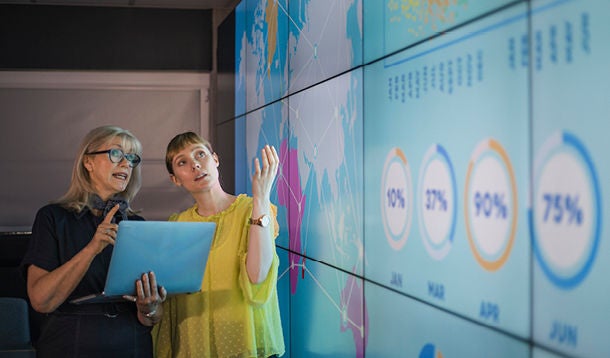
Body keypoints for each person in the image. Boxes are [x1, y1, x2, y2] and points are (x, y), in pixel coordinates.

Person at [21, 125, 167, 358]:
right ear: (88, 162)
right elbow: (41, 301)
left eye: (131, 157)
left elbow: (152, 318)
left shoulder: (137, 224)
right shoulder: (52, 217)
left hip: (132, 343)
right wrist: (92, 248)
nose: (126, 163)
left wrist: (148, 307)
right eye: (116, 154)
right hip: (72, 342)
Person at [153, 131, 285, 357]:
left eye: (200, 154)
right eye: (182, 162)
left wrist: (261, 198)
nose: (195, 165)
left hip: (248, 343)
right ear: (175, 179)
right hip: (195, 345)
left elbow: (258, 275)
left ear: (215, 159)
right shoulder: (177, 225)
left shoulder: (254, 208)